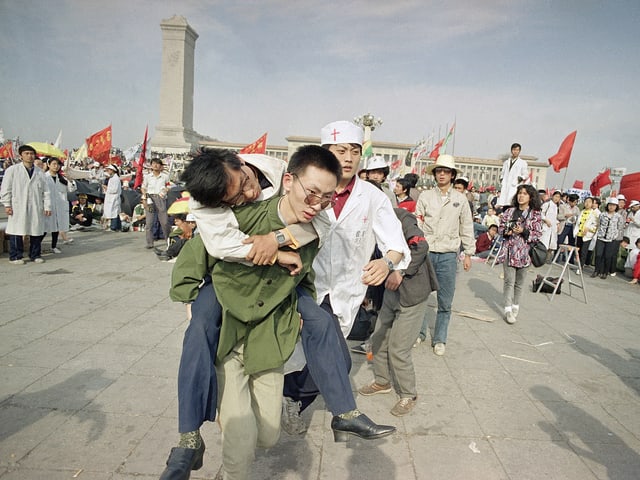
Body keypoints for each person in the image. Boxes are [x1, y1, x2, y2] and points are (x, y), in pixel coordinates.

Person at [161, 147, 395, 480]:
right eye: (236, 197)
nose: (248, 195)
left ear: (245, 165)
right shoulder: (214, 205)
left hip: (269, 326)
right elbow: (212, 247)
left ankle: (344, 411)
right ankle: (188, 437)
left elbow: (320, 235)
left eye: (245, 184)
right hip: (227, 302)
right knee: (199, 327)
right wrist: (274, 253)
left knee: (318, 321)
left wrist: (278, 239)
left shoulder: (290, 188)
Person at [358, 208, 437, 416]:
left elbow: (421, 246)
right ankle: (383, 381)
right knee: (378, 339)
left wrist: (401, 271)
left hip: (412, 292)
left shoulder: (402, 218)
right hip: (390, 291)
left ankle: (409, 394)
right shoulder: (365, 221)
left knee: (398, 348)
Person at [415, 154, 475, 355]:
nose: (442, 175)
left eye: (446, 171)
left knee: (445, 300)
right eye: (438, 171)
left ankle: (440, 338)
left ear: (452, 175)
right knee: (421, 296)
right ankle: (420, 332)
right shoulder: (425, 197)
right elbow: (419, 222)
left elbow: (466, 226)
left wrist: (468, 252)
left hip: (449, 254)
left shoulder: (460, 200)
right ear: (434, 174)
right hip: (428, 251)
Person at [497, 184, 543, 324]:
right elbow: (500, 228)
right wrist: (507, 231)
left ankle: (516, 305)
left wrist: (523, 231)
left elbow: (537, 234)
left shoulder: (535, 214)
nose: (521, 196)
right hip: (509, 250)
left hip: (525, 252)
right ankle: (507, 309)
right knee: (509, 281)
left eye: (525, 193)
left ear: (530, 197)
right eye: (519, 193)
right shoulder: (509, 211)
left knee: (519, 282)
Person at [0, 145, 52, 264]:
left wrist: (47, 206)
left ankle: (35, 254)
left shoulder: (39, 172)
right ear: (21, 155)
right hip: (18, 205)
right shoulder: (13, 170)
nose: (30, 156)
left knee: (36, 230)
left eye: (32, 154)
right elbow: (6, 189)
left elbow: (46, 191)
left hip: (35, 204)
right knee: (17, 230)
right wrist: (7, 205)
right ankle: (16, 256)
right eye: (27, 153)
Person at [141, 157, 171, 249]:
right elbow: (143, 187)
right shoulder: (147, 177)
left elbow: (169, 185)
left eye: (157, 164)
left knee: (164, 221)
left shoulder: (165, 176)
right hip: (150, 198)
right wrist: (144, 197)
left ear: (161, 166)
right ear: (151, 165)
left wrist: (166, 190)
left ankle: (169, 240)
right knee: (149, 222)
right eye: (153, 163)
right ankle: (150, 242)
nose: (155, 165)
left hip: (160, 198)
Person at [44, 158, 72, 253]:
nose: (56, 166)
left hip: (59, 206)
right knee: (44, 227)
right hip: (47, 206)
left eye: (58, 164)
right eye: (54, 164)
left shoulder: (61, 178)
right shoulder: (44, 177)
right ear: (49, 165)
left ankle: (54, 246)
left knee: (56, 227)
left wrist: (70, 179)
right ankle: (35, 246)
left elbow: (70, 189)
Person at [592, 198, 624, 279]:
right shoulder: (602, 214)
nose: (611, 207)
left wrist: (616, 238)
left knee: (607, 256)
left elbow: (620, 228)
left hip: (611, 239)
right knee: (598, 255)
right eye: (610, 205)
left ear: (616, 207)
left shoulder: (618, 216)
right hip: (601, 237)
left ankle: (605, 272)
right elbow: (598, 224)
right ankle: (596, 270)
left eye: (613, 205)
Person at [497, 143, 528, 207]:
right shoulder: (506, 162)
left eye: (517, 150)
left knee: (512, 202)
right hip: (506, 184)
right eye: (514, 150)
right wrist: (501, 178)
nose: (515, 152)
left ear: (519, 151)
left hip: (515, 184)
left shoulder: (522, 162)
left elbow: (526, 174)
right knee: (504, 203)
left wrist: (521, 178)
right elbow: (502, 173)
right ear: (511, 150)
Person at [573, 196, 599, 268]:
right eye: (586, 202)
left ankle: (581, 266)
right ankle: (578, 264)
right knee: (578, 250)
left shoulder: (594, 213)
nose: (587, 204)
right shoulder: (582, 212)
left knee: (584, 251)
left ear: (592, 204)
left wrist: (589, 229)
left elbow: (596, 225)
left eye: (589, 202)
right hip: (579, 234)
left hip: (587, 235)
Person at [102, 164, 122, 232]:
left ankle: (113, 226)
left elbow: (114, 189)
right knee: (115, 212)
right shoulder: (112, 178)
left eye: (109, 170)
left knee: (114, 212)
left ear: (112, 170)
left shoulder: (116, 179)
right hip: (110, 197)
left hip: (114, 197)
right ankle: (118, 226)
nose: (108, 171)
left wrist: (107, 188)